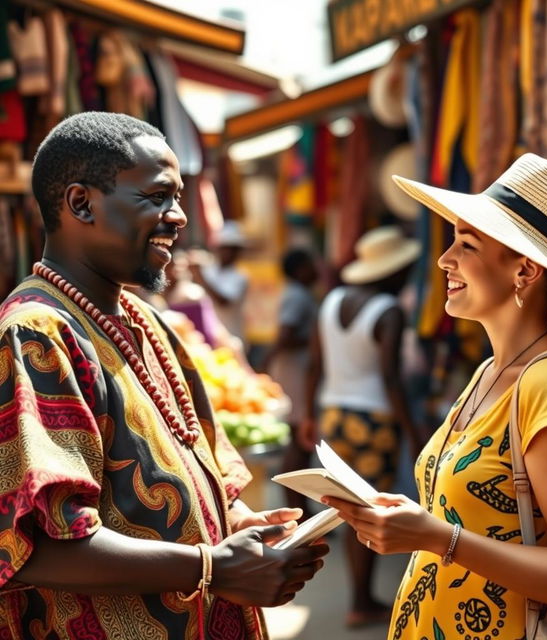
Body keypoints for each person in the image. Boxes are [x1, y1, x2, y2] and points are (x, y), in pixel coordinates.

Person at [0, 112, 328, 640]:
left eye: (177, 198)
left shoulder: (148, 322)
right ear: (81, 203)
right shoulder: (36, 333)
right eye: (156, 197)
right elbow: (37, 544)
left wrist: (241, 524)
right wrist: (213, 567)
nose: (178, 217)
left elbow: (210, 470)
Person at [323, 153, 547, 640]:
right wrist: (415, 520)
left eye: (466, 245)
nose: (445, 259)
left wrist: (435, 537)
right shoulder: (490, 370)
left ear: (524, 271)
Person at [304, 225, 423, 628]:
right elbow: (391, 379)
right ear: (390, 272)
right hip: (374, 421)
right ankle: (361, 601)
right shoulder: (388, 310)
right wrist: (413, 430)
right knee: (371, 508)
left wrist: (307, 414)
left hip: (334, 415)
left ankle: (361, 597)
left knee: (350, 507)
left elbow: (315, 365)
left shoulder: (331, 300)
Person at [261, 247, 319, 516]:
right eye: (310, 263)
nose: (316, 268)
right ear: (299, 269)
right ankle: (297, 507)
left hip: (295, 370)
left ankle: (301, 505)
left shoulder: (299, 294)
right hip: (295, 373)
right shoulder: (297, 296)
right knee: (298, 439)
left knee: (300, 439)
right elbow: (286, 335)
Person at [191, 220, 249, 346]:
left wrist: (200, 276)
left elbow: (224, 301)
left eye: (232, 249)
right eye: (225, 248)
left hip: (231, 339)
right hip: (206, 339)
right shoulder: (208, 270)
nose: (228, 253)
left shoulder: (240, 277)